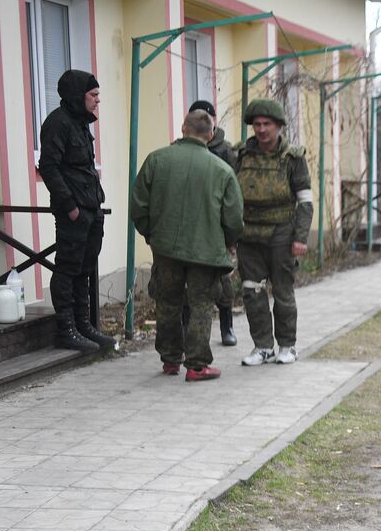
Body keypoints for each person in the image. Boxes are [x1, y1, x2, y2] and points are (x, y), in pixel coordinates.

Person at [130, 109, 243, 382]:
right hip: (206, 252)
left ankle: (170, 360)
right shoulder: (223, 171)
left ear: (183, 128)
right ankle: (197, 365)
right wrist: (228, 243)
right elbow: (234, 218)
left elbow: (139, 206)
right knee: (202, 305)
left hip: (166, 248)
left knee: (167, 302)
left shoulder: (156, 160)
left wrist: (152, 235)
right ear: (211, 135)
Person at [37, 69, 117, 352]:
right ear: (77, 95)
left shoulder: (81, 123)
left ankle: (83, 325)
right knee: (68, 268)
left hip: (91, 207)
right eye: (93, 95)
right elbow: (48, 167)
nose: (97, 101)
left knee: (84, 268)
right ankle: (66, 329)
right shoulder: (57, 124)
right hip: (74, 211)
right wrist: (69, 206)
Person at [234, 99, 311, 366]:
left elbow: (305, 201)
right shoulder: (241, 155)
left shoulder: (294, 157)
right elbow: (231, 197)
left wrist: (300, 237)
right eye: (257, 124)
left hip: (282, 232)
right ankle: (263, 346)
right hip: (248, 234)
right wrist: (231, 234)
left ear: (278, 126)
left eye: (267, 124)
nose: (262, 129)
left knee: (282, 291)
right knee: (251, 292)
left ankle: (287, 345)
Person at [187, 99, 239, 347]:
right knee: (188, 284)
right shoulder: (182, 149)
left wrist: (232, 236)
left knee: (223, 280)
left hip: (216, 226)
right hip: (190, 224)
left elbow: (235, 193)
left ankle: (227, 326)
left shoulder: (226, 151)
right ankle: (188, 332)